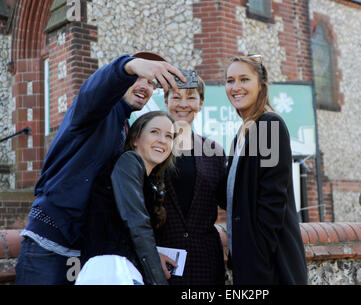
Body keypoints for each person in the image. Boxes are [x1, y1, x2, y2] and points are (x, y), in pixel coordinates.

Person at [15, 52, 186, 285]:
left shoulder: (124, 130)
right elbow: (95, 90)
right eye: (139, 78)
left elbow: (115, 216)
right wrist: (129, 65)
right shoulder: (95, 111)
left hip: (85, 256)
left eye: (151, 83)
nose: (145, 86)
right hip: (48, 246)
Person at [224, 54, 308, 284]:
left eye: (244, 79)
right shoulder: (242, 135)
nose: (235, 87)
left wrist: (257, 258)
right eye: (230, 80)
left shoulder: (269, 125)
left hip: (272, 265)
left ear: (261, 85)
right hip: (250, 262)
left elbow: (273, 199)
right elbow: (235, 197)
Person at [77, 111, 176, 285]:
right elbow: (137, 224)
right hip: (111, 272)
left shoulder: (147, 181)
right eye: (154, 132)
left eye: (169, 136)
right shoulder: (129, 161)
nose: (163, 140)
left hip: (123, 271)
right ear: (134, 139)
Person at [156, 76, 227, 285]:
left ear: (201, 103)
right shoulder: (151, 147)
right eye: (176, 97)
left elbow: (230, 202)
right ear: (166, 101)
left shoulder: (214, 151)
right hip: (161, 261)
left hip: (205, 262)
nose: (183, 104)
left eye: (191, 97)